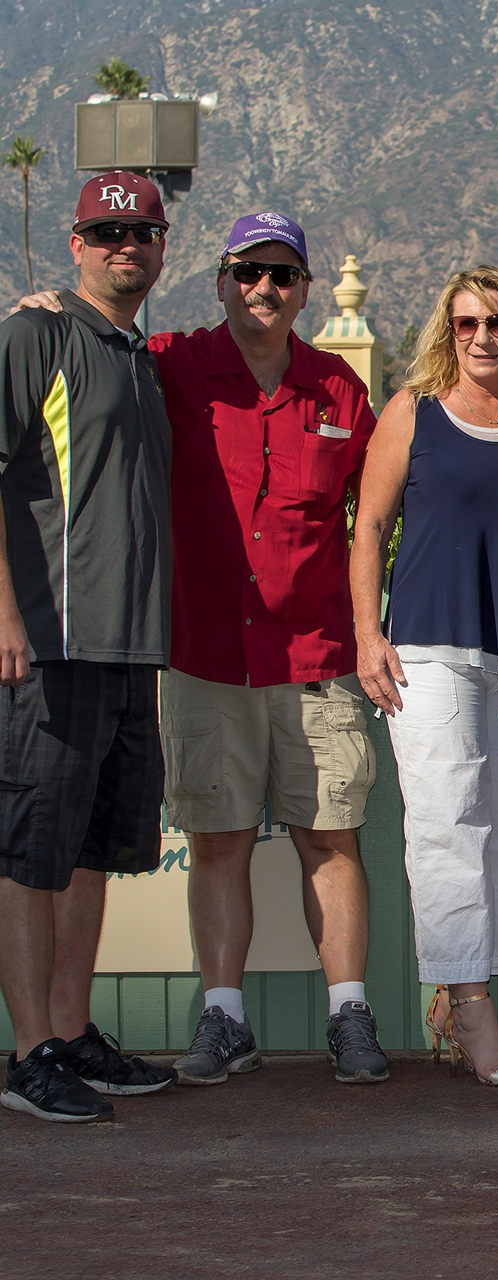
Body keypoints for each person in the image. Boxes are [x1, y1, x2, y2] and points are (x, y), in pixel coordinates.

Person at [12, 212, 392, 1085]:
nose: (265, 288)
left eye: (282, 276)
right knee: (217, 841)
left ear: (302, 291)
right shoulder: (170, 366)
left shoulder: (340, 390)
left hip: (318, 656)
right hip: (204, 653)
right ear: (220, 281)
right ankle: (225, 1019)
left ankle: (350, 1016)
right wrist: (48, 310)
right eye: (248, 272)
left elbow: (378, 513)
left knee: (331, 840)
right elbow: (85, 355)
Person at [352, 266, 498, 1088]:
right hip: (429, 652)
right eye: (468, 322)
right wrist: (368, 635)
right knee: (449, 825)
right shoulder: (415, 413)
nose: (483, 337)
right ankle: (473, 1010)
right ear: (449, 328)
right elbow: (368, 526)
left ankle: (455, 995)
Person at [0, 173, 177, 1123]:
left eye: (142, 231)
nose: (125, 245)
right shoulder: (38, 334)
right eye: (106, 231)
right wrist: (6, 618)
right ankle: (28, 1052)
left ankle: (69, 1033)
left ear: (161, 245)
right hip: (52, 642)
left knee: (87, 855)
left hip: (127, 647)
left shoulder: (140, 356)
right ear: (75, 243)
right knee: (31, 854)